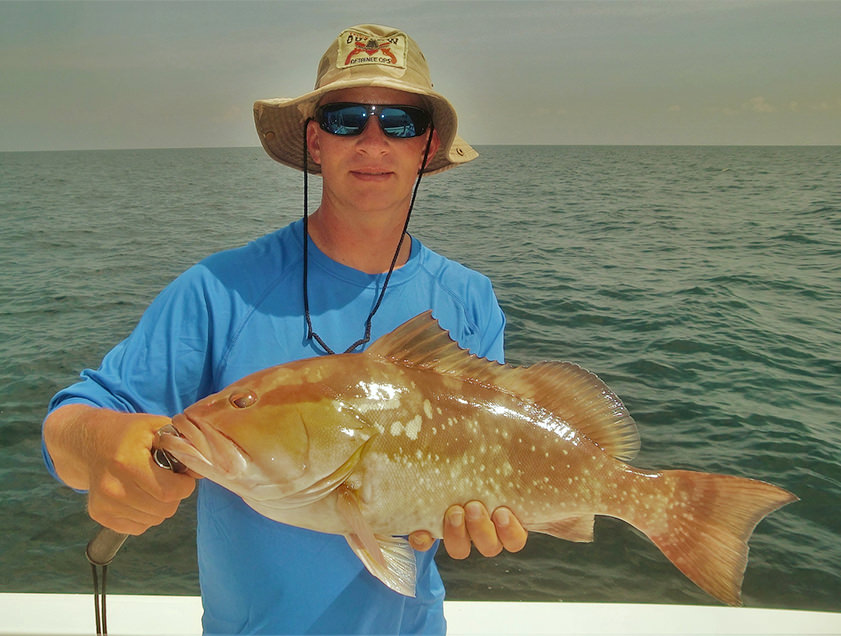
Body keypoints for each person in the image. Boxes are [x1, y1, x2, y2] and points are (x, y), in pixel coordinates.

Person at [42, 24, 527, 634]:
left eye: (400, 123)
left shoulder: (470, 299)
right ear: (316, 141)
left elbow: (501, 447)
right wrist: (100, 445)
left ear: (426, 148)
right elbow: (69, 425)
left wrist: (486, 515)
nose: (373, 140)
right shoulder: (220, 290)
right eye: (348, 118)